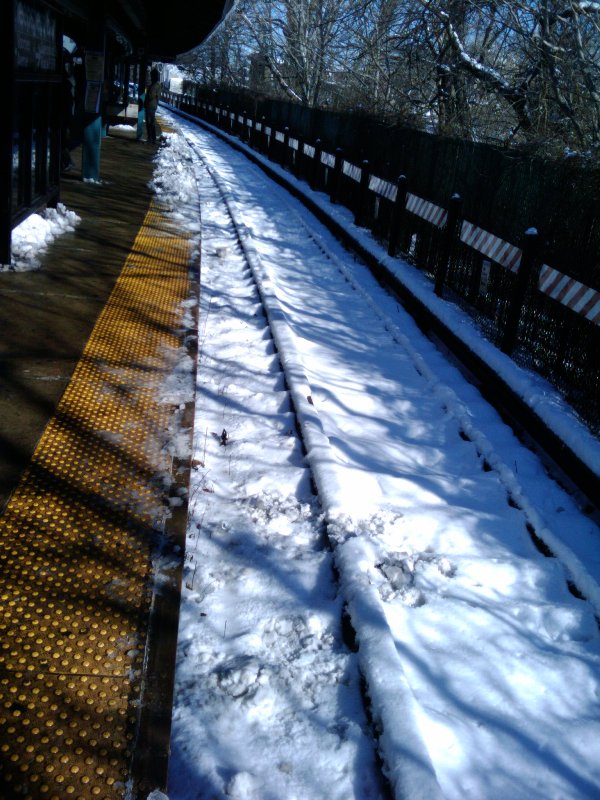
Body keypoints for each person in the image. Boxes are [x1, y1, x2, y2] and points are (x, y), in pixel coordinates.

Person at [144, 68, 161, 144]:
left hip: (150, 105)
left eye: (151, 75)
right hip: (152, 105)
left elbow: (151, 95)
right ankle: (152, 138)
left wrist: (147, 93)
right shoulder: (156, 84)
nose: (150, 77)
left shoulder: (155, 85)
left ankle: (150, 139)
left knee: (150, 122)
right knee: (151, 122)